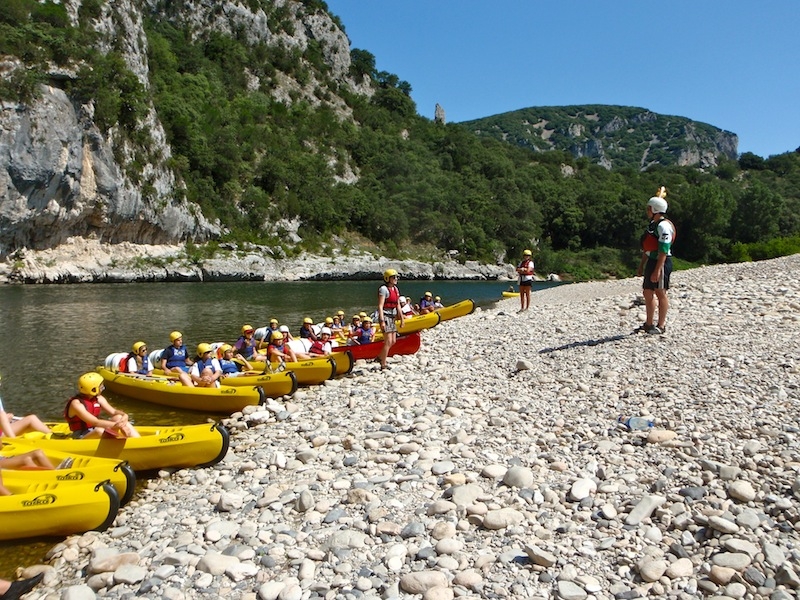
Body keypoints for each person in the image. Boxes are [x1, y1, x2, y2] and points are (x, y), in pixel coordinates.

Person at [636, 186, 676, 335]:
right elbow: (648, 247)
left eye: (649, 208)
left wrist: (657, 270)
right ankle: (648, 323)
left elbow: (663, 250)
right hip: (652, 260)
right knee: (647, 292)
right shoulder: (653, 225)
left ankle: (661, 325)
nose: (647, 211)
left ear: (654, 209)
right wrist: (642, 265)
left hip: (662, 262)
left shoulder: (664, 226)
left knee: (660, 292)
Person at [65, 372, 139, 439]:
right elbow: (95, 422)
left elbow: (114, 412)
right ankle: (120, 442)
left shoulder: (99, 398)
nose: (103, 388)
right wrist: (119, 425)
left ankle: (137, 440)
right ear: (93, 389)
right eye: (101, 386)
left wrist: (124, 415)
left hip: (94, 429)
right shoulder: (76, 404)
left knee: (118, 417)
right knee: (99, 431)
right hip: (81, 436)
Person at [377, 269, 405, 370]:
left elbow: (398, 305)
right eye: (394, 277)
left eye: (396, 277)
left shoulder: (395, 289)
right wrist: (382, 321)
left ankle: (380, 357)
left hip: (392, 316)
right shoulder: (383, 289)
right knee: (388, 341)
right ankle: (383, 364)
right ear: (387, 278)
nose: (396, 279)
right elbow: (380, 306)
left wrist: (402, 319)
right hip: (385, 316)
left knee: (393, 341)